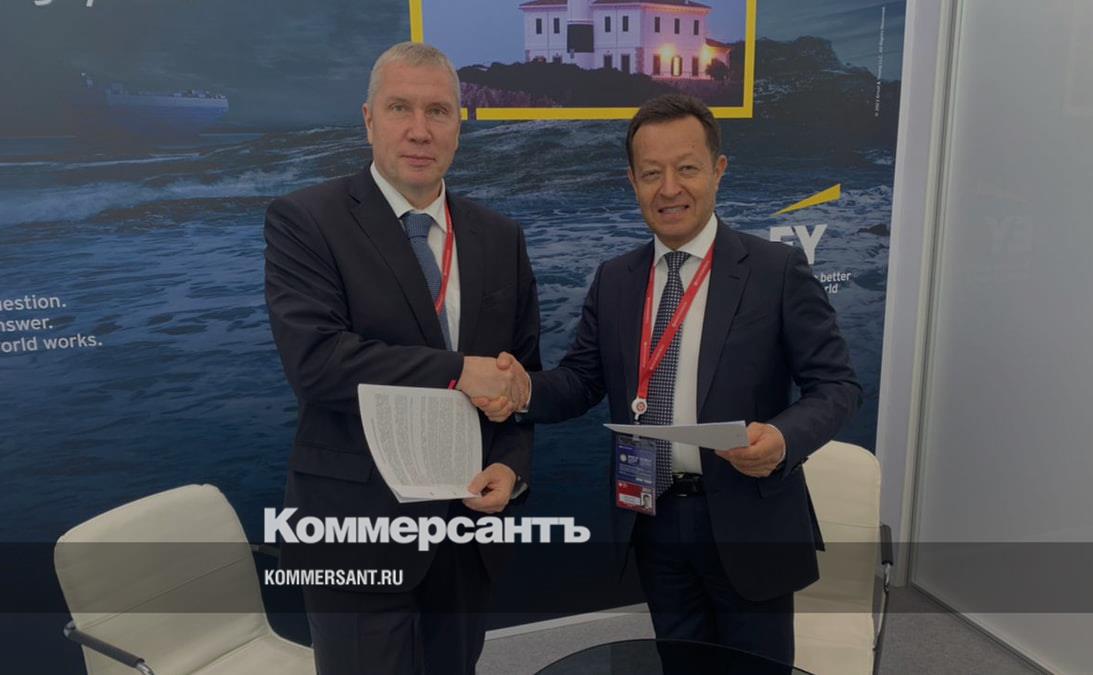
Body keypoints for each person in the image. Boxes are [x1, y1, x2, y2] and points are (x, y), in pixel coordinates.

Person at [475, 93, 861, 665]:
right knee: (680, 663)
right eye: (652, 173)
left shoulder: (775, 271)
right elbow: (582, 380)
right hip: (653, 517)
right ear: (632, 181)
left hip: (748, 517)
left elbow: (837, 386)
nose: (669, 188)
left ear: (718, 170)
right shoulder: (616, 279)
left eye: (687, 168)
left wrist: (783, 439)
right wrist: (523, 390)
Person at [263, 42, 539, 675]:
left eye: (438, 111)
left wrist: (511, 467)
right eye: (400, 108)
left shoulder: (500, 237)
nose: (420, 130)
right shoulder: (305, 220)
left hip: (465, 531)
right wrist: (458, 371)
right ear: (368, 120)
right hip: (355, 533)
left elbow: (521, 378)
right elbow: (318, 363)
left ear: (458, 125)